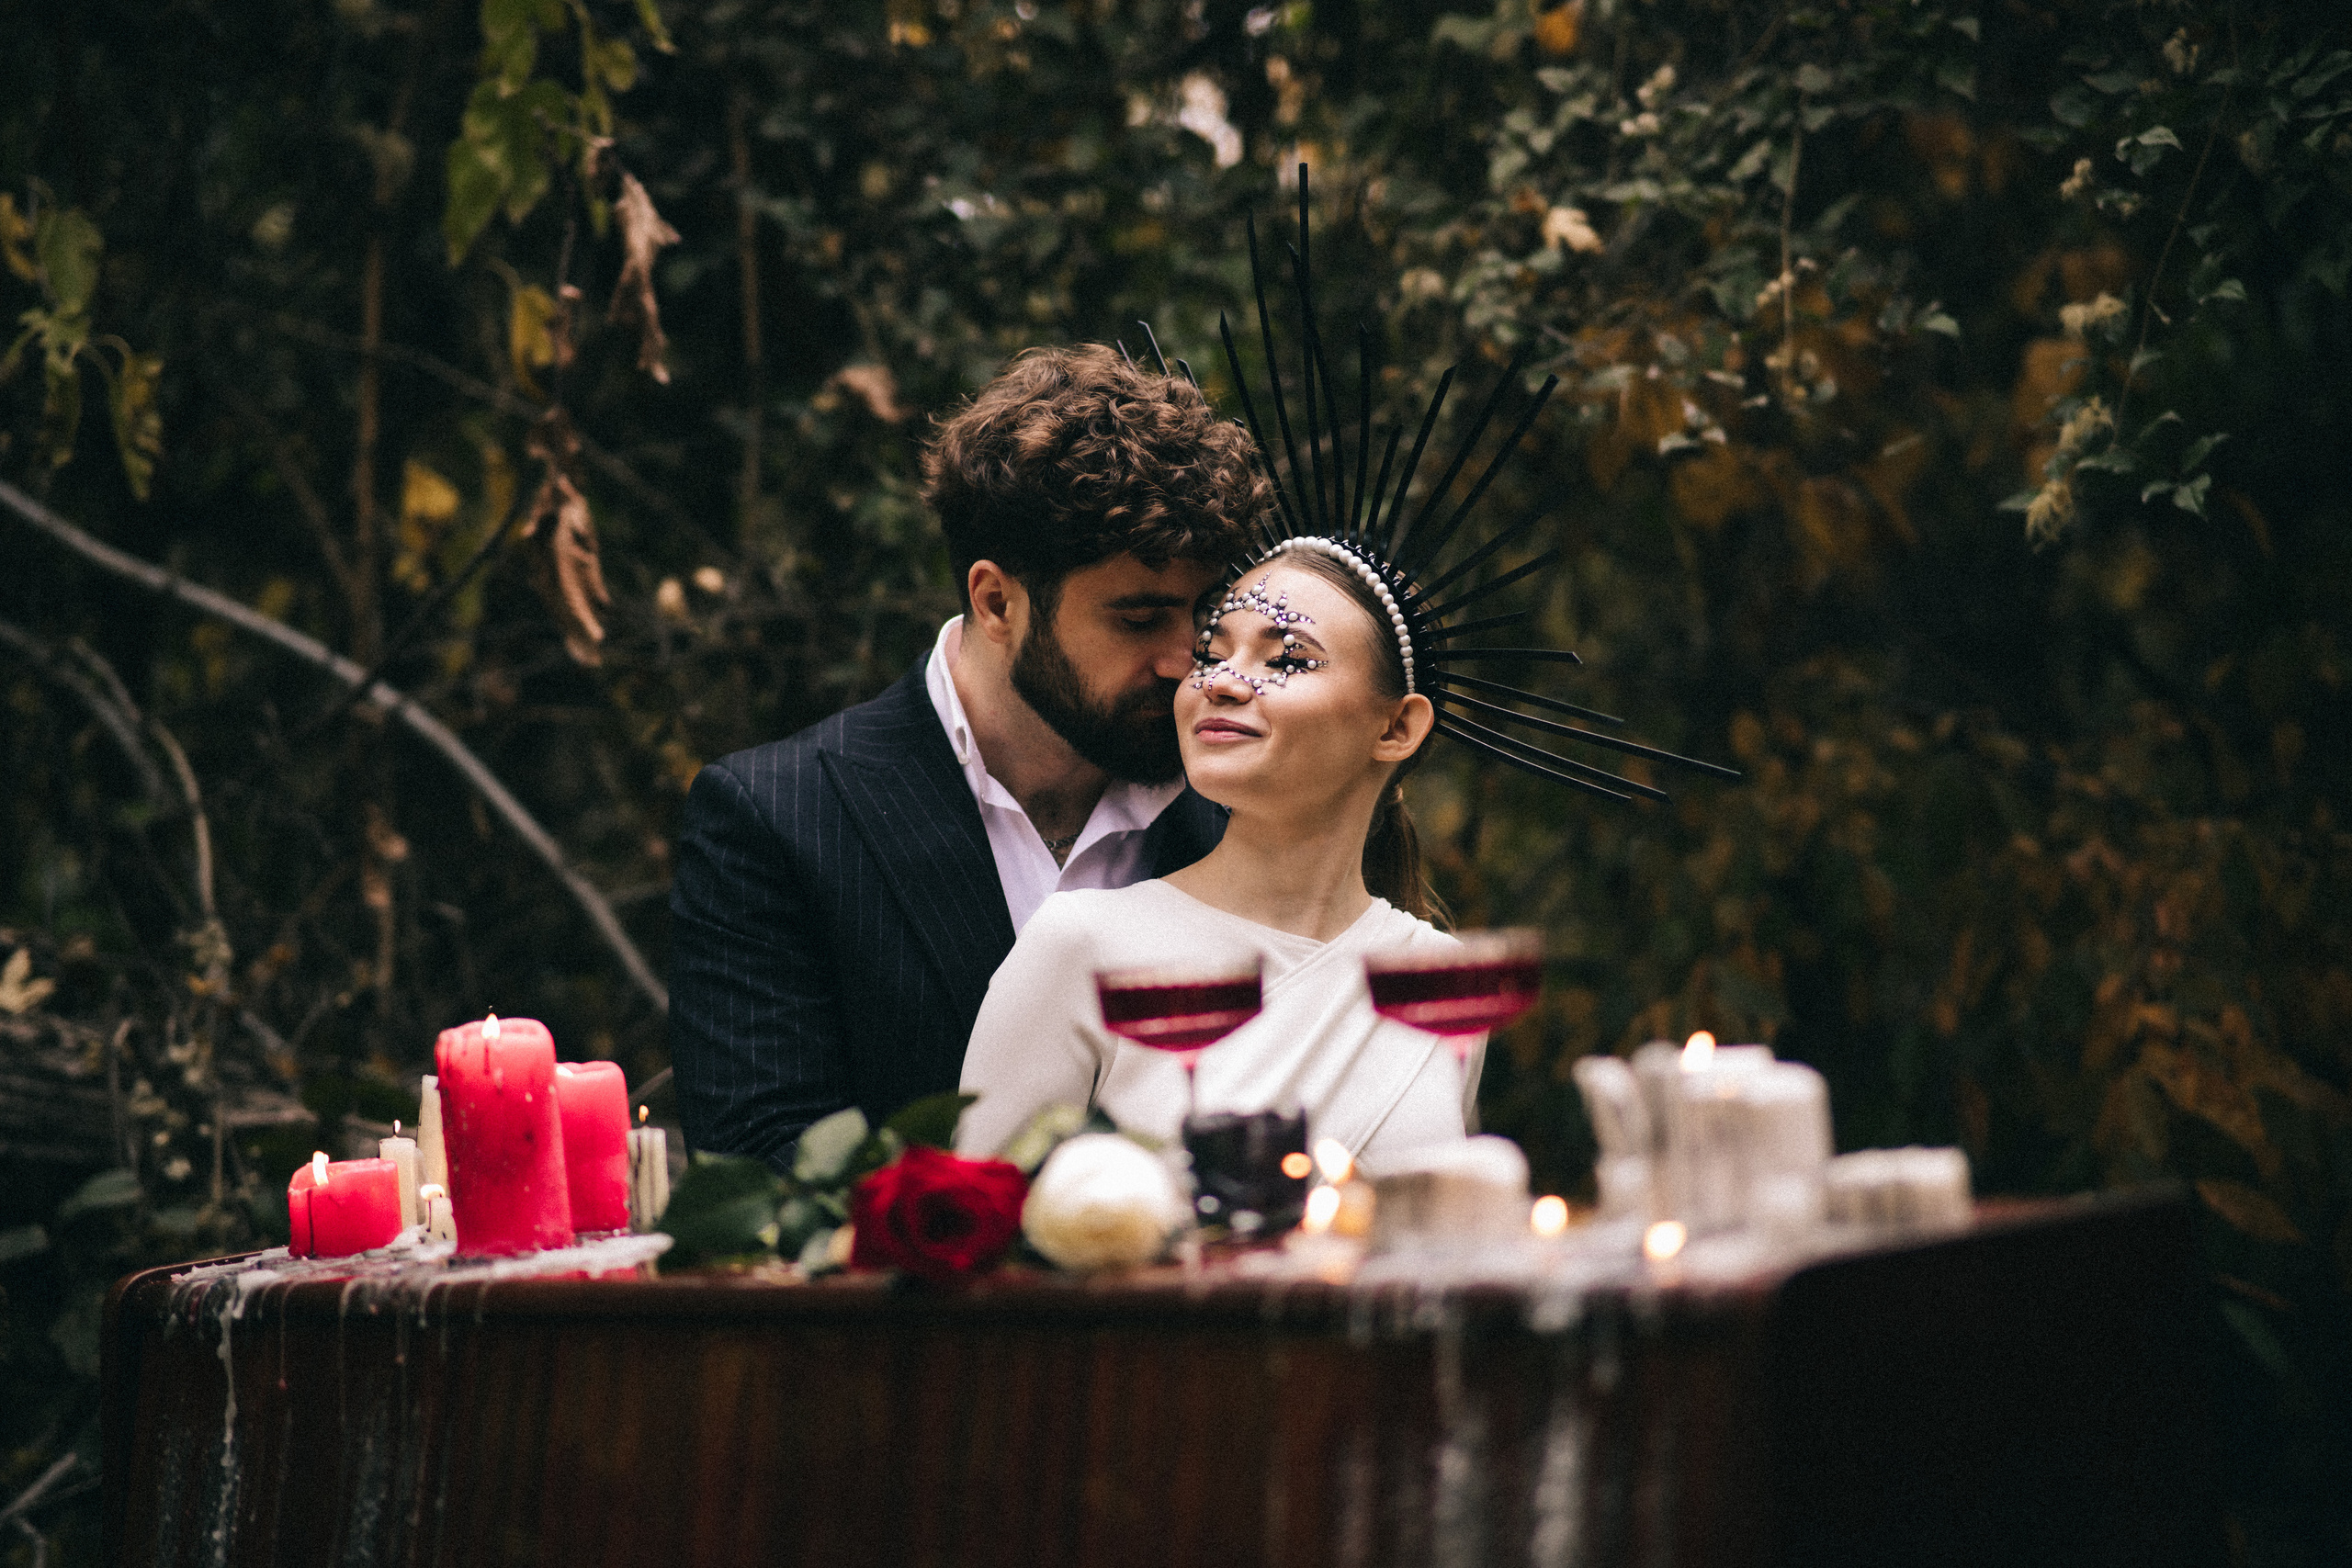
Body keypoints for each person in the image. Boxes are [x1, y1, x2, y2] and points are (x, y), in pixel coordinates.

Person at [669, 345, 1268, 1170]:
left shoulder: (1246, 803)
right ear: (996, 602)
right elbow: (765, 1169)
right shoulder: (776, 817)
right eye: (1138, 619)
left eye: (1204, 616)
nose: (1185, 661)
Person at [956, 543, 1482, 1175]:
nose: (1221, 679)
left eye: (1286, 657)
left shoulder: (1442, 983)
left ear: (1396, 728)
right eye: (1212, 650)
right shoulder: (1081, 946)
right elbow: (980, 1238)